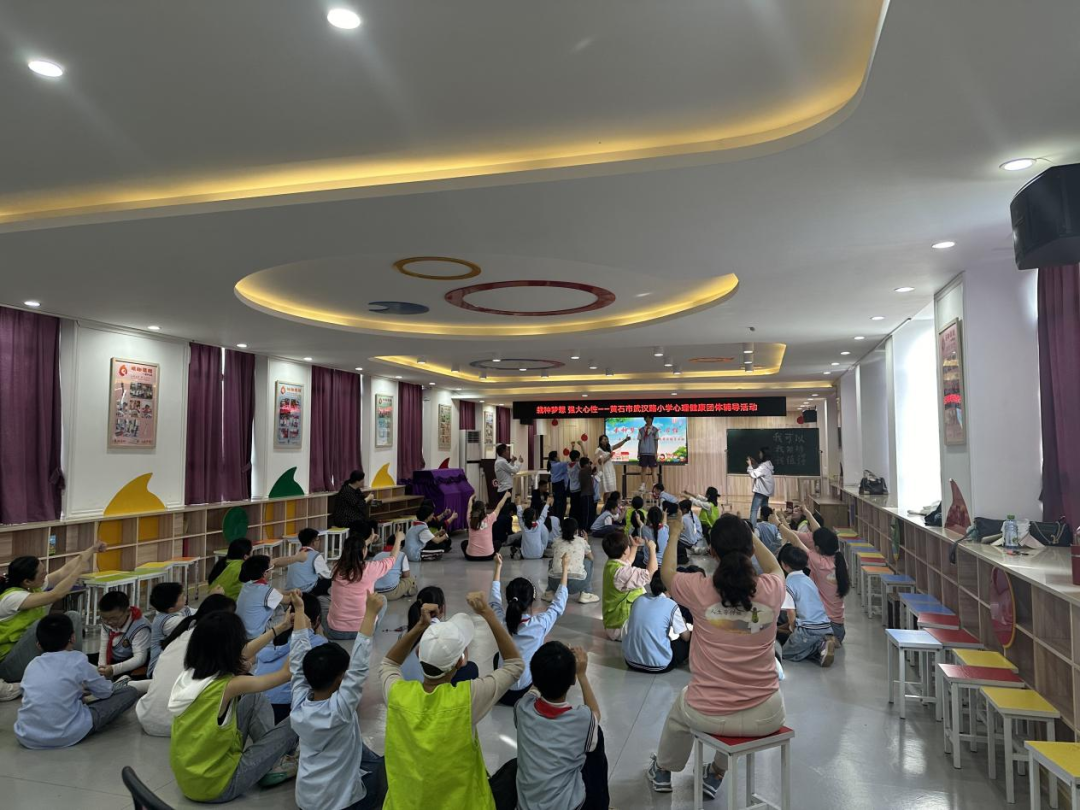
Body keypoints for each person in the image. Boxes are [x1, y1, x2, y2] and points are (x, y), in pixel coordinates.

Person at [648, 514, 786, 799]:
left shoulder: (700, 589)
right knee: (738, 719)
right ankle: (715, 774)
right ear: (751, 550)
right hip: (767, 713)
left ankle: (662, 770)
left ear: (712, 552)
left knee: (680, 711)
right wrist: (750, 535)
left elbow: (667, 574)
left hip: (708, 711)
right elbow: (774, 566)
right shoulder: (772, 589)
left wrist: (674, 533)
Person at [379, 592, 526, 810]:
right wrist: (487, 613)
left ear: (419, 653)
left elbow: (389, 663)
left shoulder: (397, 694)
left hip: (404, 804)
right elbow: (514, 665)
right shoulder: (467, 698)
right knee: (515, 770)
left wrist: (419, 626)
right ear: (460, 662)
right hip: (464, 804)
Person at [169, 608, 300, 801]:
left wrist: (281, 627)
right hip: (219, 786)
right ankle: (275, 763)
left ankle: (273, 763)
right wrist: (300, 633)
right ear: (230, 650)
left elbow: (243, 653)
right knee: (296, 719)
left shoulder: (191, 675)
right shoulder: (229, 686)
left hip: (190, 779)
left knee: (254, 699)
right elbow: (285, 674)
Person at [290, 590, 387, 810]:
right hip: (342, 803)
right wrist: (370, 614)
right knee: (385, 779)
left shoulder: (299, 705)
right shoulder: (340, 709)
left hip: (306, 801)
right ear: (341, 679)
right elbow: (360, 665)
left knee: (373, 759)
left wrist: (299, 609)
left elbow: (297, 661)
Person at [15, 613, 139, 749]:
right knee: (129, 692)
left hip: (27, 736)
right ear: (73, 638)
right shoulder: (78, 660)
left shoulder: (32, 665)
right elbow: (105, 692)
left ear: (38, 645)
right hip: (68, 734)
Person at [514, 642, 609, 810]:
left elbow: (534, 688)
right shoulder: (582, 719)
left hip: (526, 805)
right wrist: (582, 674)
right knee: (596, 733)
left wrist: (551, 660)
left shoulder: (523, 707)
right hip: (568, 806)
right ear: (572, 680)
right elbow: (596, 714)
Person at [0, 542, 104, 688]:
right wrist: (78, 571)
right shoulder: (12, 598)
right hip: (10, 665)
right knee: (41, 625)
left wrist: (92, 550)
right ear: (27, 581)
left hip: (32, 656)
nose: (46, 574)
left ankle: (77, 668)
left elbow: (63, 572)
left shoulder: (32, 587)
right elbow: (56, 594)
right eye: (42, 573)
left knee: (72, 616)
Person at [137, 593, 236, 737]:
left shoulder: (182, 633)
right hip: (181, 726)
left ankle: (130, 685)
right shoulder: (213, 640)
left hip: (148, 719)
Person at [489, 553, 569, 705]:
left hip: (503, 692)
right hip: (527, 694)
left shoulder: (500, 623)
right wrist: (565, 568)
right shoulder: (540, 624)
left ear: (509, 600)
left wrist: (498, 567)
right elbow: (558, 605)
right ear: (532, 601)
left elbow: (494, 602)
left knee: (496, 657)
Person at [254, 593, 327, 724]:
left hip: (256, 703)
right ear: (317, 620)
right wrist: (318, 633)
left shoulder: (270, 637)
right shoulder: (318, 642)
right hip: (285, 710)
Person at [779, 516, 850, 643]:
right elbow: (820, 532)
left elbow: (795, 540)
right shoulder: (840, 560)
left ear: (817, 548)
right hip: (838, 627)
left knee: (784, 621)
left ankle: (824, 643)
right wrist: (807, 512)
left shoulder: (819, 563)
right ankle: (828, 642)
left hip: (824, 625)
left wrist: (777, 524)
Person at [326, 527, 401, 640]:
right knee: (382, 599)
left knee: (323, 601)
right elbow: (392, 558)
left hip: (336, 632)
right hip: (365, 630)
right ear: (364, 551)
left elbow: (351, 551)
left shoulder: (336, 566)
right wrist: (398, 539)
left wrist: (368, 541)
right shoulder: (370, 569)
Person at [398, 587, 480, 685]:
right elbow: (462, 662)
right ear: (441, 608)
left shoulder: (405, 634)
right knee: (470, 668)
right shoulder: (442, 633)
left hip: (404, 683)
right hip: (427, 684)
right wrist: (463, 643)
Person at [775, 545, 836, 666]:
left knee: (784, 653)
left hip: (808, 631)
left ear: (784, 565)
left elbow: (791, 613)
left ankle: (818, 646)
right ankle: (821, 645)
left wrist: (793, 632)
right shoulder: (808, 580)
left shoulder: (788, 584)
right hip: (825, 626)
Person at [624, 571, 692, 673]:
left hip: (630, 661)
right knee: (690, 638)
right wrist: (683, 622)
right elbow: (686, 637)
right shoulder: (671, 605)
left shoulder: (638, 599)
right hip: (659, 665)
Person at [602, 530, 657, 641]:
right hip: (621, 626)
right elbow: (651, 572)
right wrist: (652, 549)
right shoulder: (622, 573)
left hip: (614, 623)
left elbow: (628, 560)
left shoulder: (612, 564)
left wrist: (634, 546)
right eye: (628, 546)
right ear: (624, 552)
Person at [95, 590, 152, 680]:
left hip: (132, 661)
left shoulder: (140, 627)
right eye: (104, 618)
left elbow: (140, 659)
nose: (109, 622)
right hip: (113, 658)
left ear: (127, 611)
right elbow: (104, 647)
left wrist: (114, 669)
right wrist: (101, 668)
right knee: (83, 660)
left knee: (133, 678)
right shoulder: (107, 622)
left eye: (114, 618)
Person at [545, 518, 600, 604]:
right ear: (576, 530)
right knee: (588, 562)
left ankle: (549, 592)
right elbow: (591, 557)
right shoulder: (581, 541)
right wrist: (586, 542)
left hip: (556, 583)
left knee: (552, 562)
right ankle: (586, 593)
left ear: (561, 529)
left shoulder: (556, 541)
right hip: (577, 584)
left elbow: (554, 555)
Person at [148, 581, 195, 677]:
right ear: (171, 609)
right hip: (158, 668)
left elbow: (199, 613)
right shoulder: (167, 622)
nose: (185, 598)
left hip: (172, 661)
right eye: (182, 598)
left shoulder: (182, 609)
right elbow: (197, 621)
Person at [235, 555, 284, 640]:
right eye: (271, 568)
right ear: (265, 573)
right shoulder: (265, 591)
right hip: (254, 635)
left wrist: (288, 592)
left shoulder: (247, 584)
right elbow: (288, 600)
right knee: (284, 613)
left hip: (241, 633)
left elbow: (275, 593)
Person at [284, 527, 333, 596]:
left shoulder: (297, 554)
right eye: (318, 540)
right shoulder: (315, 555)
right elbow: (327, 575)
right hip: (305, 591)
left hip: (290, 591)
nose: (319, 542)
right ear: (313, 542)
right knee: (332, 579)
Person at [462, 491, 509, 561]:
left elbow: (469, 506)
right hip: (488, 556)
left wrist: (471, 498)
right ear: (484, 510)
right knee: (498, 543)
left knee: (464, 543)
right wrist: (506, 496)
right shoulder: (489, 518)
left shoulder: (470, 519)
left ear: (474, 510)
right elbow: (499, 507)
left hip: (471, 557)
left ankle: (473, 552)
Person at [594, 433, 630, 500]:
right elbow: (599, 462)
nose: (606, 440)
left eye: (607, 439)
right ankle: (606, 504)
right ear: (600, 441)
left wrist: (625, 440)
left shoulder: (609, 448)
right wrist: (609, 456)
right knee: (607, 490)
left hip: (610, 469)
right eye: (604, 439)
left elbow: (617, 445)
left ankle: (608, 504)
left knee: (610, 490)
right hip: (604, 471)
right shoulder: (598, 450)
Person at [746, 447, 775, 522]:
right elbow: (759, 469)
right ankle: (766, 525)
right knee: (765, 511)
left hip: (761, 491)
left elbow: (753, 474)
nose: (759, 454)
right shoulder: (768, 464)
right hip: (766, 492)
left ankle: (752, 527)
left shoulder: (763, 467)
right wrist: (754, 464)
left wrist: (749, 465)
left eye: (760, 453)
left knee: (754, 510)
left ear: (764, 454)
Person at [637, 416, 660, 493]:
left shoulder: (655, 430)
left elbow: (656, 442)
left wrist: (655, 452)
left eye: (649, 418)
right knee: (643, 469)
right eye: (646, 418)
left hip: (652, 453)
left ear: (652, 419)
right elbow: (639, 442)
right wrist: (638, 452)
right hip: (643, 452)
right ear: (644, 419)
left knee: (653, 470)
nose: (648, 419)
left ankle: (655, 486)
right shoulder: (641, 430)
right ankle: (642, 485)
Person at [548, 450, 570, 520]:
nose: (559, 456)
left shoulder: (552, 464)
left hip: (556, 485)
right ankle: (560, 520)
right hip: (560, 485)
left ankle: (556, 519)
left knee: (557, 503)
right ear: (555, 458)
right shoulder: (558, 465)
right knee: (561, 505)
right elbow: (570, 462)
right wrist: (572, 448)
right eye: (558, 455)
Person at [567, 446, 584, 529]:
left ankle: (570, 523)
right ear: (577, 458)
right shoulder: (577, 465)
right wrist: (581, 445)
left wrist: (572, 447)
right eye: (579, 457)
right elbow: (585, 456)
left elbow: (572, 456)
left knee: (573, 506)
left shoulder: (568, 465)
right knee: (578, 507)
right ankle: (578, 524)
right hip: (578, 489)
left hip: (572, 489)